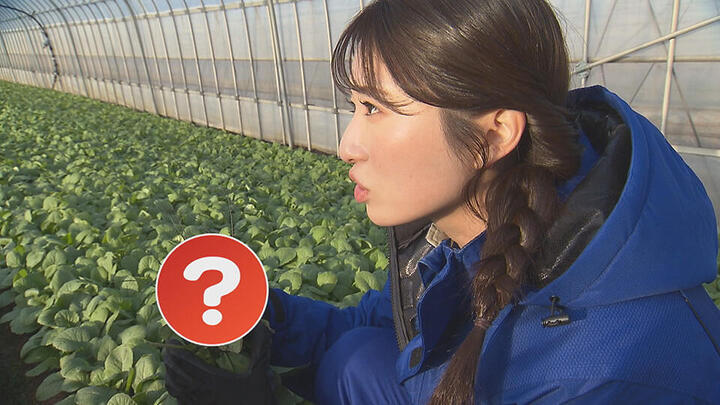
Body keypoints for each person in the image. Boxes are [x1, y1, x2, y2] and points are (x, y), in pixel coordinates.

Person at [162, 0, 720, 403]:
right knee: (358, 355)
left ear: (494, 134)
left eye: (376, 109)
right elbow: (379, 325)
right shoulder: (465, 236)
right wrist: (266, 316)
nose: (347, 145)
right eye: (354, 107)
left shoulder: (612, 373)